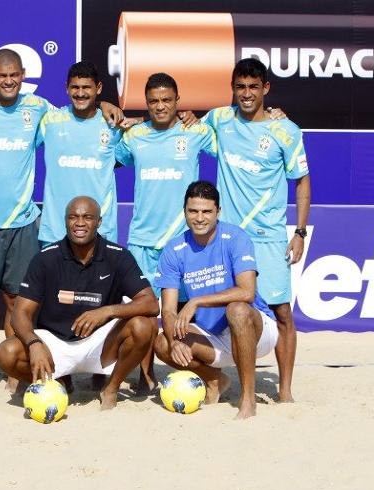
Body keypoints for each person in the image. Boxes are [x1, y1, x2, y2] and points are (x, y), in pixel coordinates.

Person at [0, 48, 124, 394]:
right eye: (1, 75)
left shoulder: (40, 110)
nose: (8, 81)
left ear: (23, 75)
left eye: (14, 75)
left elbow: (123, 146)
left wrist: (110, 108)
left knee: (18, 302)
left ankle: (21, 377)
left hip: (23, 222)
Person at [202, 58, 311, 403]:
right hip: (228, 238)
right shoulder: (219, 119)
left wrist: (300, 232)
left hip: (268, 238)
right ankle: (219, 378)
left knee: (282, 313)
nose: (246, 94)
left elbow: (302, 182)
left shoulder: (286, 130)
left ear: (265, 89)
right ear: (232, 89)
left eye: (253, 87)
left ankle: (286, 390)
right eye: (240, 87)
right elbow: (182, 126)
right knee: (221, 312)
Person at [0, 196, 157, 410]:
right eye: (73, 217)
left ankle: (111, 387)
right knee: (6, 353)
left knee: (143, 326)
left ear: (99, 222)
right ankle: (60, 381)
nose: (79, 223)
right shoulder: (45, 258)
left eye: (87, 217)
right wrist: (33, 343)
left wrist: (107, 311)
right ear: (65, 221)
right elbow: (20, 314)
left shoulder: (118, 256)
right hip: (55, 344)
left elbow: (151, 304)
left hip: (100, 345)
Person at [113, 72, 217, 391]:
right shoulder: (133, 137)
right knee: (145, 315)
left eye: (167, 100)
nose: (160, 106)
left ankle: (193, 371)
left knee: (187, 311)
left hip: (184, 244)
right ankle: (145, 377)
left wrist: (272, 113)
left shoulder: (196, 131)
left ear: (178, 102)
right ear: (146, 103)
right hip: (143, 242)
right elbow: (106, 160)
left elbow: (232, 136)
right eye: (154, 101)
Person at [153, 181, 278, 419]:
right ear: (185, 211)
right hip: (214, 338)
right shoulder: (173, 249)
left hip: (256, 332)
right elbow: (168, 311)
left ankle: (248, 400)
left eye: (207, 211)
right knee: (162, 343)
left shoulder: (235, 237)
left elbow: (247, 292)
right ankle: (216, 380)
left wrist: (196, 301)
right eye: (193, 211)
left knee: (237, 310)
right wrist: (175, 340)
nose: (199, 218)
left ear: (218, 212)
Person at [37, 61, 122, 248]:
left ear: (98, 88)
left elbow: (152, 129)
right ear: (66, 89)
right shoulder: (50, 121)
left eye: (86, 87)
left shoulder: (114, 125)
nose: (81, 93)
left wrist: (181, 116)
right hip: (56, 232)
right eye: (75, 87)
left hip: (101, 232)